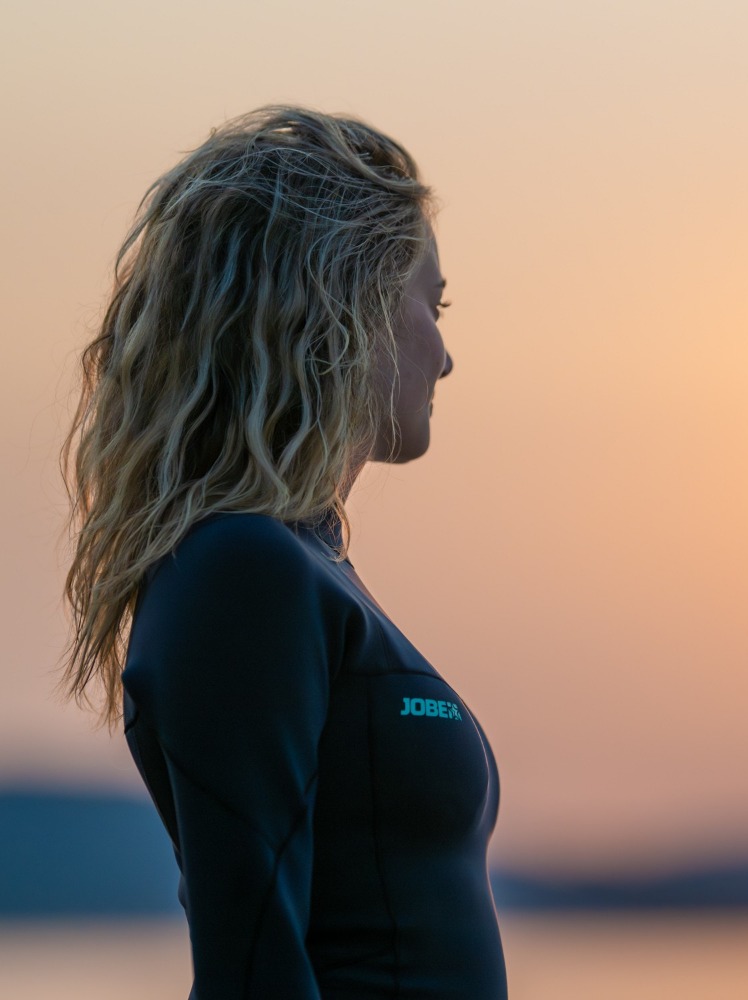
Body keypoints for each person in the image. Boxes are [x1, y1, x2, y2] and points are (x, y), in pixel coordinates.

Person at [57, 105, 507, 1000]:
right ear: (346, 297)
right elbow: (250, 962)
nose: (447, 356)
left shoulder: (302, 566)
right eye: (434, 304)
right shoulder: (240, 570)